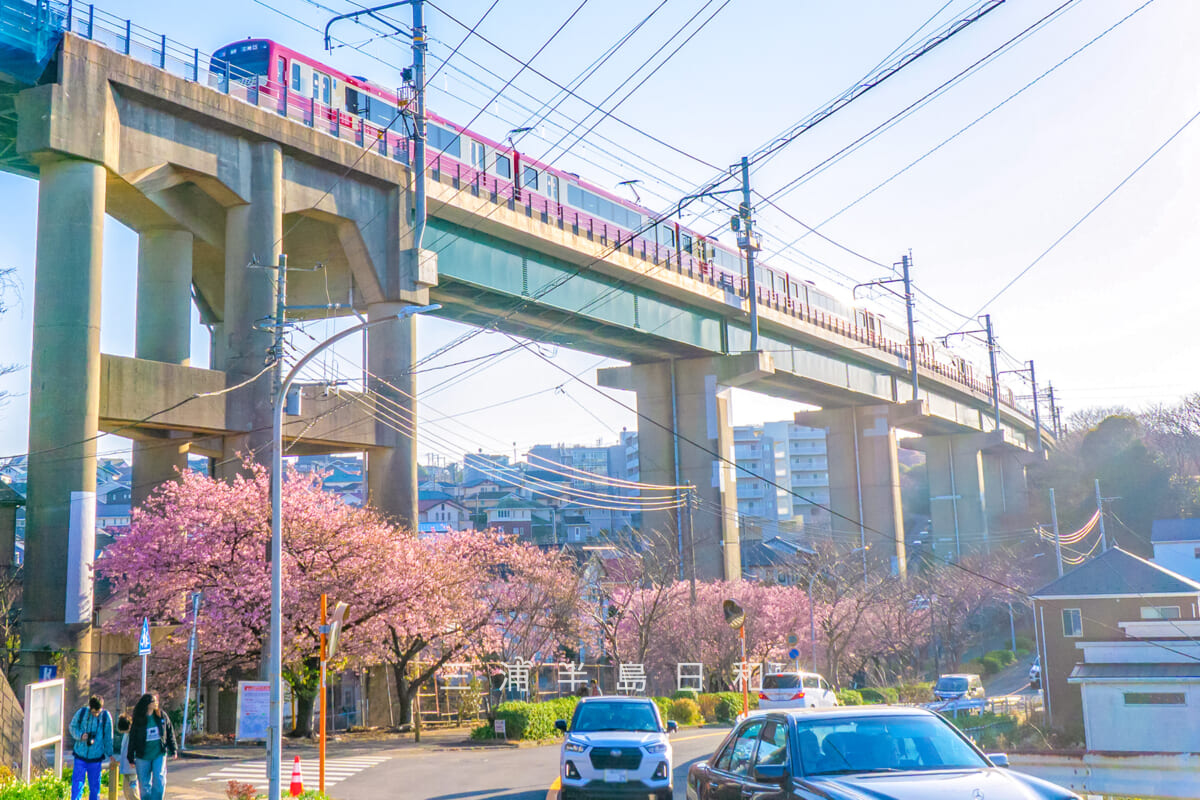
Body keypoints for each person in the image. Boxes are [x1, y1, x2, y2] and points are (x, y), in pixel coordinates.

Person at [128, 693, 177, 800]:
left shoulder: (161, 716)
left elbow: (169, 732)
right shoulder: (139, 719)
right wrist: (130, 756)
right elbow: (132, 738)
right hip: (142, 756)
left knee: (159, 780)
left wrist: (173, 749)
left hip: (158, 753)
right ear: (147, 704)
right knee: (144, 785)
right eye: (153, 701)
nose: (156, 703)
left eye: (156, 701)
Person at [69, 695, 114, 800]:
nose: (95, 715)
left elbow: (108, 737)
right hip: (80, 755)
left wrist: (110, 753)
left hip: (96, 757)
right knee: (77, 784)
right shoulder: (82, 713)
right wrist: (80, 735)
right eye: (93, 712)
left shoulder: (105, 717)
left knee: (94, 787)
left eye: (97, 712)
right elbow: (72, 727)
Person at [114, 714, 139, 800]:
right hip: (126, 769)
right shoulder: (126, 735)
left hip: (133, 769)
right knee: (127, 793)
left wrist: (134, 761)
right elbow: (123, 751)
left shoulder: (136, 734)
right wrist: (118, 760)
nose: (125, 732)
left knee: (133, 793)